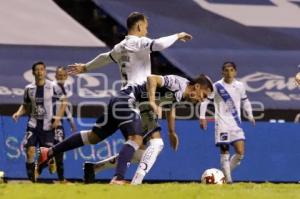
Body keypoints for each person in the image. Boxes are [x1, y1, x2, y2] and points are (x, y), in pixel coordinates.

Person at [67, 11, 192, 184]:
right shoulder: (139, 42)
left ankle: (96, 167)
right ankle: (132, 181)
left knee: (137, 150)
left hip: (125, 96)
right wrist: (178, 35)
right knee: (154, 144)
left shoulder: (121, 46)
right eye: (146, 27)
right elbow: (159, 44)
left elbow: (105, 57)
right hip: (137, 98)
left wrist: (86, 67)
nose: (147, 31)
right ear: (140, 26)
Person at [38, 74, 213, 184]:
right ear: (197, 87)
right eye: (203, 96)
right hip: (127, 101)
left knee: (93, 137)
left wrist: (172, 131)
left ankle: (49, 152)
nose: (200, 100)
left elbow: (169, 106)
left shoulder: (181, 93)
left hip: (121, 102)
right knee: (138, 138)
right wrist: (152, 101)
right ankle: (119, 179)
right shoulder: (177, 83)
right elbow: (152, 79)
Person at [199, 62, 255, 183]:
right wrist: (202, 117)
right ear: (222, 72)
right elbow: (205, 102)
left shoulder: (240, 86)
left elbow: (245, 101)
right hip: (222, 124)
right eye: (226, 70)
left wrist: (250, 115)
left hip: (236, 124)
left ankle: (222, 175)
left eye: (231, 70)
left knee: (240, 153)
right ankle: (229, 181)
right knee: (224, 152)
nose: (229, 73)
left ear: (235, 72)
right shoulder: (216, 86)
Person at [12, 61, 67, 182]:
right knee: (30, 151)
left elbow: (64, 101)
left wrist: (57, 119)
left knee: (45, 155)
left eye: (42, 69)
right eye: (37, 70)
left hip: (48, 127)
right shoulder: (29, 88)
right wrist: (18, 113)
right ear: (33, 72)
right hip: (33, 125)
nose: (40, 72)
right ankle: (32, 178)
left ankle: (47, 166)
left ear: (45, 71)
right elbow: (25, 105)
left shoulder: (53, 86)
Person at [52, 66, 77, 183]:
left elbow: (64, 107)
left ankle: (61, 179)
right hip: (48, 122)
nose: (61, 78)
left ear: (66, 77)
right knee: (47, 149)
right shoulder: (51, 87)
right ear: (55, 76)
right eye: (59, 76)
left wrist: (71, 122)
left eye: (63, 76)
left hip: (58, 123)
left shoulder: (63, 89)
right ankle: (39, 170)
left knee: (59, 149)